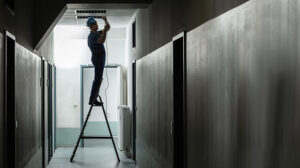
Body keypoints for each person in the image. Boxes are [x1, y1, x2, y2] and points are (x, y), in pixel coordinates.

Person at [86, 16, 110, 106]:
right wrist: (105, 32)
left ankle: (94, 98)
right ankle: (92, 99)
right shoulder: (92, 36)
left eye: (95, 23)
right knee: (97, 79)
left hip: (100, 58)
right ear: (90, 27)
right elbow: (102, 40)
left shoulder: (96, 33)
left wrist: (105, 21)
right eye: (93, 24)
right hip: (98, 58)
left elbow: (108, 28)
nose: (96, 25)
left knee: (98, 79)